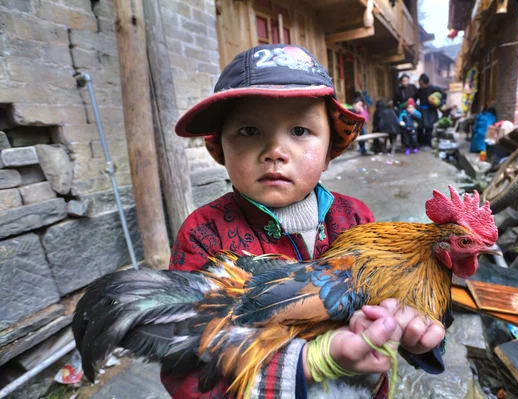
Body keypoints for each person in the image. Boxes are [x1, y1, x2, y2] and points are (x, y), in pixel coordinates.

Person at [162, 44, 446, 399]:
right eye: (249, 131)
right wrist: (310, 363)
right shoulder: (204, 233)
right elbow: (181, 362)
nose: (275, 151)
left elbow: (394, 308)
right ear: (219, 148)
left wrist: (415, 337)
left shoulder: (356, 218)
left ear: (330, 150)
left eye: (299, 130)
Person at [415, 74, 445, 151]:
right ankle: (420, 143)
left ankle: (427, 144)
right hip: (421, 110)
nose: (420, 85)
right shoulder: (419, 90)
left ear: (426, 83)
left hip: (430, 110)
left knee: (429, 128)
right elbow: (414, 98)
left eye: (421, 84)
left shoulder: (433, 88)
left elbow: (443, 95)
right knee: (420, 127)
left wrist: (439, 103)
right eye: (419, 84)